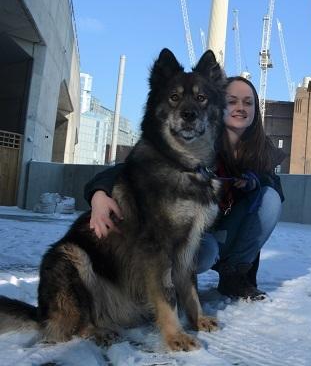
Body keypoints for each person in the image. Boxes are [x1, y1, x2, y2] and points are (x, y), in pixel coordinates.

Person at [84, 76, 284, 301]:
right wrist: (99, 193)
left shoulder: (261, 149)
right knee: (203, 252)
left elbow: (273, 185)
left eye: (248, 103)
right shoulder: (196, 138)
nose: (241, 108)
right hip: (197, 233)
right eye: (232, 101)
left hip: (230, 229)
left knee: (270, 199)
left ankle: (234, 276)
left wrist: (254, 180)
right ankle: (168, 282)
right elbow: (137, 167)